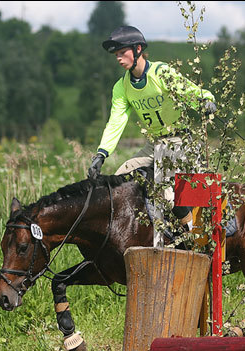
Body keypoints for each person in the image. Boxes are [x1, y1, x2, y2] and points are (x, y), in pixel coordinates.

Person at [87, 25, 217, 246]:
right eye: (116, 54)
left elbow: (188, 91)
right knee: (120, 180)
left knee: (166, 195)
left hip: (179, 141)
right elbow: (116, 121)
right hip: (154, 145)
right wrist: (102, 154)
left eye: (122, 52)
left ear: (138, 49)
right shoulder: (122, 87)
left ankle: (195, 240)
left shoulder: (161, 72)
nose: (118, 58)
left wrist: (205, 99)